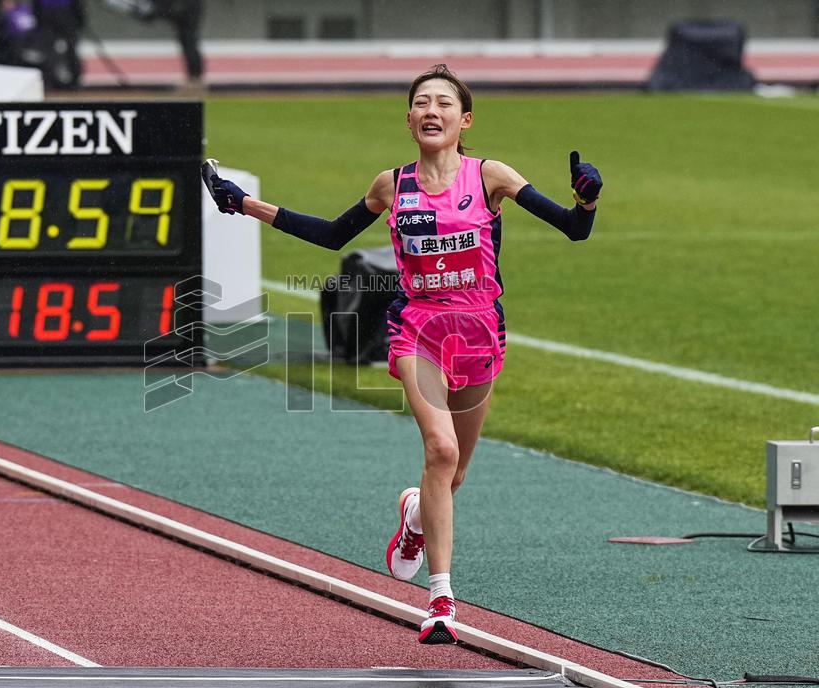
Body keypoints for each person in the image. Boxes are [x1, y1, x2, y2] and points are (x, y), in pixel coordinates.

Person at [202, 64, 602, 645]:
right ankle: (441, 601)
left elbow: (574, 230)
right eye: (421, 102)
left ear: (465, 121)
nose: (431, 110)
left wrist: (586, 201)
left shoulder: (490, 176)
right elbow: (332, 233)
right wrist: (244, 205)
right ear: (409, 119)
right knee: (439, 449)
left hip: (480, 332)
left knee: (454, 472)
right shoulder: (393, 185)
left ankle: (415, 516)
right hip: (419, 330)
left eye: (444, 103)